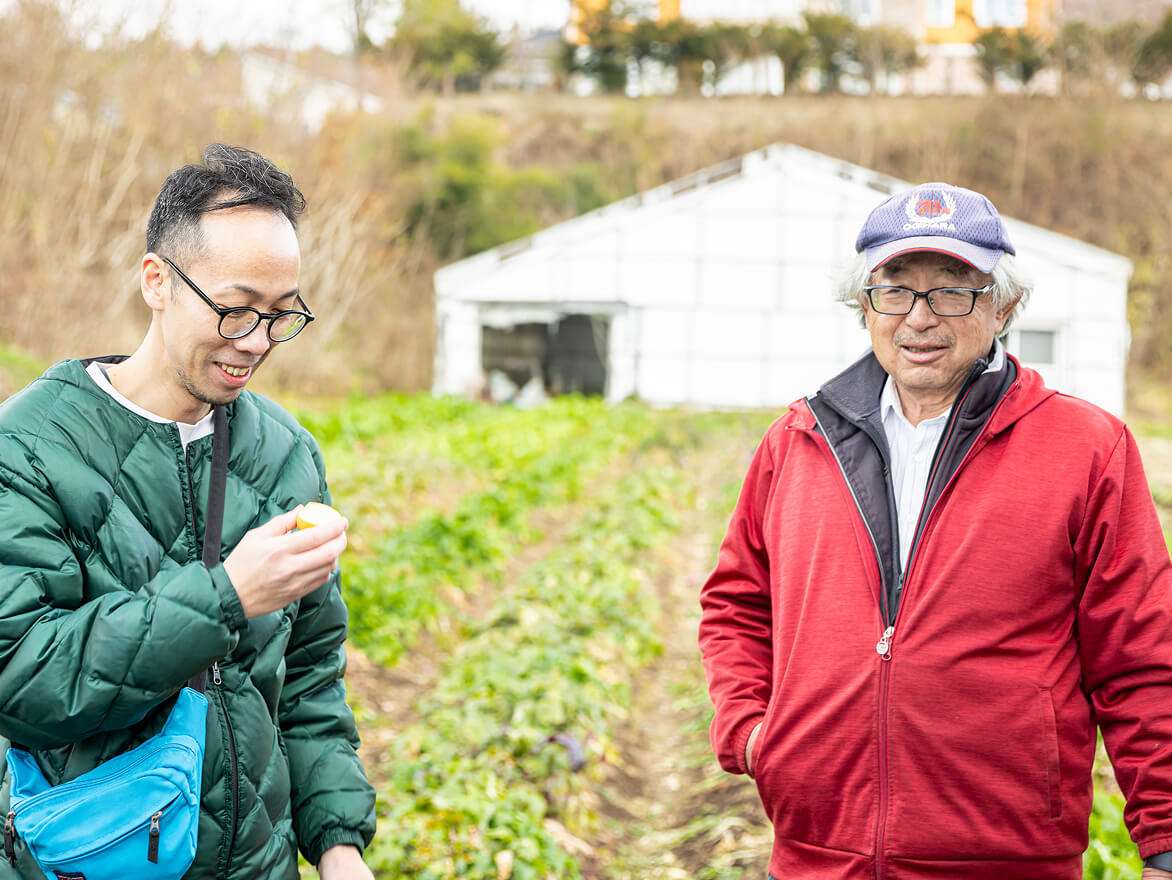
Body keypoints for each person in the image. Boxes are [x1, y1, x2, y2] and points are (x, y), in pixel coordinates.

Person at [698, 182, 1172, 880]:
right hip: (817, 858)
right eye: (895, 290)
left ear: (1003, 306)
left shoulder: (1085, 448)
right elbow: (737, 603)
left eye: (953, 291)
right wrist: (751, 733)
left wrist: (1164, 839)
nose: (919, 318)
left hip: (1007, 861)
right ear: (864, 305)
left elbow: (1141, 655)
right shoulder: (798, 441)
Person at [0, 145, 376, 878]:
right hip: (89, 855)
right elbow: (20, 679)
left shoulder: (285, 453)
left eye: (281, 314)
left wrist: (337, 843)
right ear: (157, 281)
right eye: (234, 311)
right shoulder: (28, 448)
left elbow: (308, 678)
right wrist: (226, 596)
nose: (257, 342)